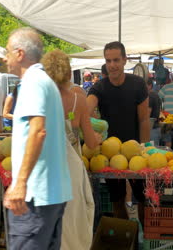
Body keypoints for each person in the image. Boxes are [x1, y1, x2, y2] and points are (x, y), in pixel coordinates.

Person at [2, 27, 72, 250]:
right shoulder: (44, 82)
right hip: (50, 193)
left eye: (7, 52)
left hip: (36, 195)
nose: (5, 58)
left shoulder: (33, 82)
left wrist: (20, 182)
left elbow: (38, 131)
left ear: (20, 53)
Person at [41, 49, 100, 250]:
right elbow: (91, 143)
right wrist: (98, 138)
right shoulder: (78, 99)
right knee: (74, 227)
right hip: (70, 168)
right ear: (68, 73)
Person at [87, 41, 149, 222]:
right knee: (117, 199)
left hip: (135, 150)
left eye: (116, 60)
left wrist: (145, 147)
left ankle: (144, 239)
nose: (112, 65)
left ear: (124, 60)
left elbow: (144, 119)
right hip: (110, 153)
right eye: (108, 61)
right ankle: (126, 237)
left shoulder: (137, 84)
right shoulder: (99, 87)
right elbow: (86, 110)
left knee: (143, 199)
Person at [147, 78, 162, 145]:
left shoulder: (150, 96)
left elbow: (148, 113)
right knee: (155, 152)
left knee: (151, 152)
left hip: (151, 129)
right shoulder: (156, 95)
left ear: (149, 86)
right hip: (156, 128)